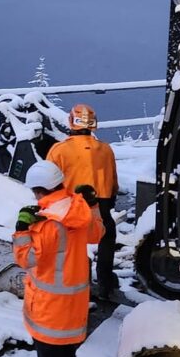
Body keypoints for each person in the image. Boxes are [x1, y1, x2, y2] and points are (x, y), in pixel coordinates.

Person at [12, 160, 104, 357]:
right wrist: (92, 206)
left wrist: (21, 231)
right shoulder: (78, 208)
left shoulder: (46, 224)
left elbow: (26, 259)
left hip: (50, 313)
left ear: (38, 190)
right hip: (74, 307)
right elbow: (96, 234)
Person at [45, 103, 120, 295]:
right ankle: (105, 280)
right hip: (100, 202)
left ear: (71, 122)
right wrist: (109, 201)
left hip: (69, 203)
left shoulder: (58, 150)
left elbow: (47, 180)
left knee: (72, 241)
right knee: (107, 235)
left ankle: (79, 278)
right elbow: (113, 181)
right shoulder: (105, 150)